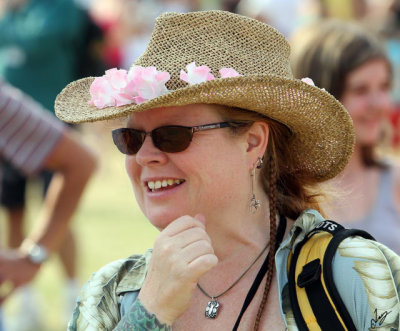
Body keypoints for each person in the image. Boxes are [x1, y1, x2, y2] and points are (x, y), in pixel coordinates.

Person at [55, 10, 400, 330]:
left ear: (252, 143)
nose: (145, 156)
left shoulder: (353, 275)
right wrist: (149, 313)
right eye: (130, 138)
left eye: (172, 136)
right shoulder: (110, 296)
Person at [290, 20, 400, 254]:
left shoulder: (394, 179)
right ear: (323, 99)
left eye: (384, 87)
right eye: (360, 90)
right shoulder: (286, 190)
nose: (379, 103)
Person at [0, 79, 97, 328]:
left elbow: (80, 162)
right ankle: (28, 303)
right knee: (14, 215)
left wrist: (34, 255)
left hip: (51, 114)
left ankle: (71, 295)